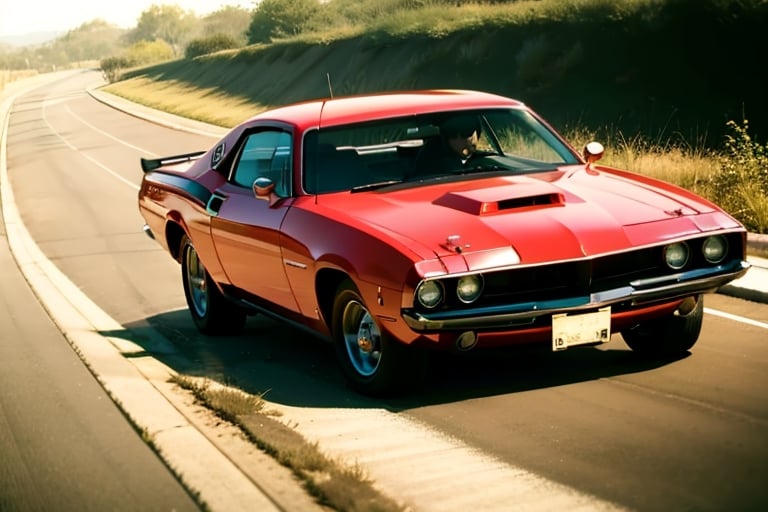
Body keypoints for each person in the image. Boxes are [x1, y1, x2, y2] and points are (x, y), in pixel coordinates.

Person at [410, 114, 483, 177]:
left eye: (477, 131)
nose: (474, 137)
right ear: (451, 138)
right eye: (468, 133)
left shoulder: (486, 161)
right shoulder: (431, 165)